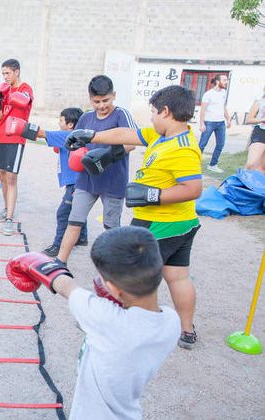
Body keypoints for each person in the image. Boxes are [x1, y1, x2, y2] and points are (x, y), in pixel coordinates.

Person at [65, 84, 203, 349]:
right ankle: (186, 331)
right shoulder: (163, 135)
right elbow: (125, 133)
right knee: (177, 276)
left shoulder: (181, 148)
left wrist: (154, 196)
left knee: (122, 272)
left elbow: (193, 188)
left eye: (153, 113)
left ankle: (102, 320)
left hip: (159, 223)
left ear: (166, 111)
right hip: (181, 223)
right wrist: (90, 134)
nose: (151, 118)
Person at [6, 226, 180, 419]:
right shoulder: (172, 321)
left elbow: (66, 286)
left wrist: (37, 263)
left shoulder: (104, 318)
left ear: (114, 288)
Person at [56, 75, 136, 264]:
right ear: (90, 99)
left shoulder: (121, 115)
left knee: (111, 227)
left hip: (113, 180)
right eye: (96, 101)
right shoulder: (85, 117)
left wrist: (107, 157)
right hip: (86, 179)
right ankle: (60, 262)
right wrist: (74, 151)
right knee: (74, 221)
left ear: (114, 95)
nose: (101, 105)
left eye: (105, 100)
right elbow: (76, 142)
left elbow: (132, 142)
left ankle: (115, 270)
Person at [28, 107, 89, 256]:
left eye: (61, 120)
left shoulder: (68, 135)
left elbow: (41, 133)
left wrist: (21, 126)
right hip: (77, 181)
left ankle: (58, 245)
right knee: (77, 208)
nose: (59, 122)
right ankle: (81, 237)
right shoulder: (77, 136)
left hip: (76, 183)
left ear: (70, 124)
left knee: (63, 213)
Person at [0, 59, 33, 235]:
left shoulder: (25, 89)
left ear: (17, 72)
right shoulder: (3, 90)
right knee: (1, 176)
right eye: (3, 74)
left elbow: (23, 102)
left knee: (11, 178)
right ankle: (7, 208)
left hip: (16, 137)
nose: (5, 77)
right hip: (0, 136)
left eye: (7, 73)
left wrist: (12, 96)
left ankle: (9, 219)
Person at [198, 74, 231, 173]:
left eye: (227, 80)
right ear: (217, 81)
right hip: (209, 122)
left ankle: (213, 165)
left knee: (220, 144)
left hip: (221, 123)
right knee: (202, 145)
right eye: (224, 80)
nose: (226, 82)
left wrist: (228, 119)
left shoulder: (223, 92)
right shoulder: (208, 94)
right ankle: (194, 165)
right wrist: (201, 124)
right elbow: (203, 110)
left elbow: (223, 106)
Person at [244, 85, 265, 172]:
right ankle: (242, 183)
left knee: (263, 167)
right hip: (261, 132)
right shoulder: (259, 102)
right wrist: (263, 119)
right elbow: (248, 119)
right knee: (251, 164)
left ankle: (258, 185)